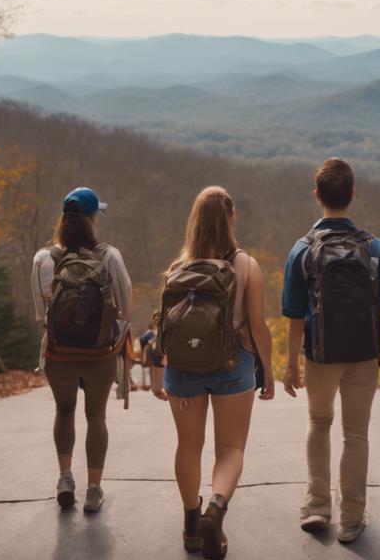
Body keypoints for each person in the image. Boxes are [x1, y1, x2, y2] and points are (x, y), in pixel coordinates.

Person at [281, 158, 380, 543]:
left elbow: (295, 318)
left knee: (319, 423)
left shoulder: (301, 251)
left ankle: (317, 507)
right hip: (365, 356)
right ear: (352, 194)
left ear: (317, 196)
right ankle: (352, 518)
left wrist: (290, 365)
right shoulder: (378, 249)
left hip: (320, 355)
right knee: (356, 434)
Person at [162, 186, 275, 559]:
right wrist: (268, 372)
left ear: (194, 221)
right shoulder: (246, 265)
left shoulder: (178, 269)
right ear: (231, 219)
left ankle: (191, 523)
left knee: (188, 447)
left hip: (183, 370)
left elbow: (168, 326)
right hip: (232, 366)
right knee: (231, 448)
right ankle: (215, 507)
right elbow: (258, 327)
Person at [41, 187, 132, 513]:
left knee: (63, 410)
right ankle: (94, 489)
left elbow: (40, 313)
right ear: (93, 219)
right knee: (96, 415)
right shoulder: (110, 256)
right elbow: (126, 307)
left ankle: (65, 479)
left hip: (58, 355)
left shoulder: (45, 258)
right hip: (98, 356)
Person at [30, 244, 55, 372]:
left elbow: (38, 294)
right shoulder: (97, 253)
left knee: (46, 340)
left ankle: (42, 362)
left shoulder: (43, 256)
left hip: (57, 314)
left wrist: (41, 316)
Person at [140, 311, 168, 399]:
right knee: (156, 376)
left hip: (160, 356)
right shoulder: (153, 332)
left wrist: (164, 356)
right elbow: (148, 345)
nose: (157, 319)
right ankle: (158, 390)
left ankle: (159, 391)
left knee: (158, 376)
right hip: (156, 356)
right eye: (155, 317)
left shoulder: (162, 330)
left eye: (159, 317)